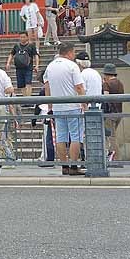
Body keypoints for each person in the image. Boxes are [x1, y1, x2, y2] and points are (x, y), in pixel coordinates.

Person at [43, 43, 86, 176]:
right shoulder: (72, 66)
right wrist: (85, 103)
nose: (74, 55)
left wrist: (50, 105)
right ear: (69, 53)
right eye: (73, 53)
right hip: (73, 105)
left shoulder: (50, 66)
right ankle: (74, 165)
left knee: (60, 137)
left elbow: (47, 86)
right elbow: (79, 87)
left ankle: (64, 166)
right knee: (75, 136)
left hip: (57, 106)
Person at [6, 31, 39, 97]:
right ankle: (25, 99)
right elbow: (11, 54)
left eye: (24, 37)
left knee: (28, 83)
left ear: (27, 37)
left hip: (28, 67)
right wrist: (8, 63)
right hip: (19, 68)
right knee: (21, 85)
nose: (22, 38)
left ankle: (28, 99)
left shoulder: (31, 46)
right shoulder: (16, 46)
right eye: (21, 37)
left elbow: (36, 55)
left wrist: (37, 65)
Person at [101, 63, 124, 161]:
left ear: (106, 74)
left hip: (110, 113)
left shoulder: (106, 84)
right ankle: (113, 157)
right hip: (119, 112)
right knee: (113, 135)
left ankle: (116, 159)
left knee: (111, 137)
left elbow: (106, 98)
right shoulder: (120, 83)